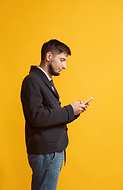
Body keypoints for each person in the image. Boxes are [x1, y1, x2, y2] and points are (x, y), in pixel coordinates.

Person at [21, 39, 89, 190]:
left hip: (51, 153)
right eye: (62, 60)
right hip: (47, 154)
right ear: (49, 56)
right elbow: (37, 117)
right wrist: (69, 110)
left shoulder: (45, 81)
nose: (64, 66)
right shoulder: (32, 80)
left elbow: (50, 115)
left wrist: (75, 111)